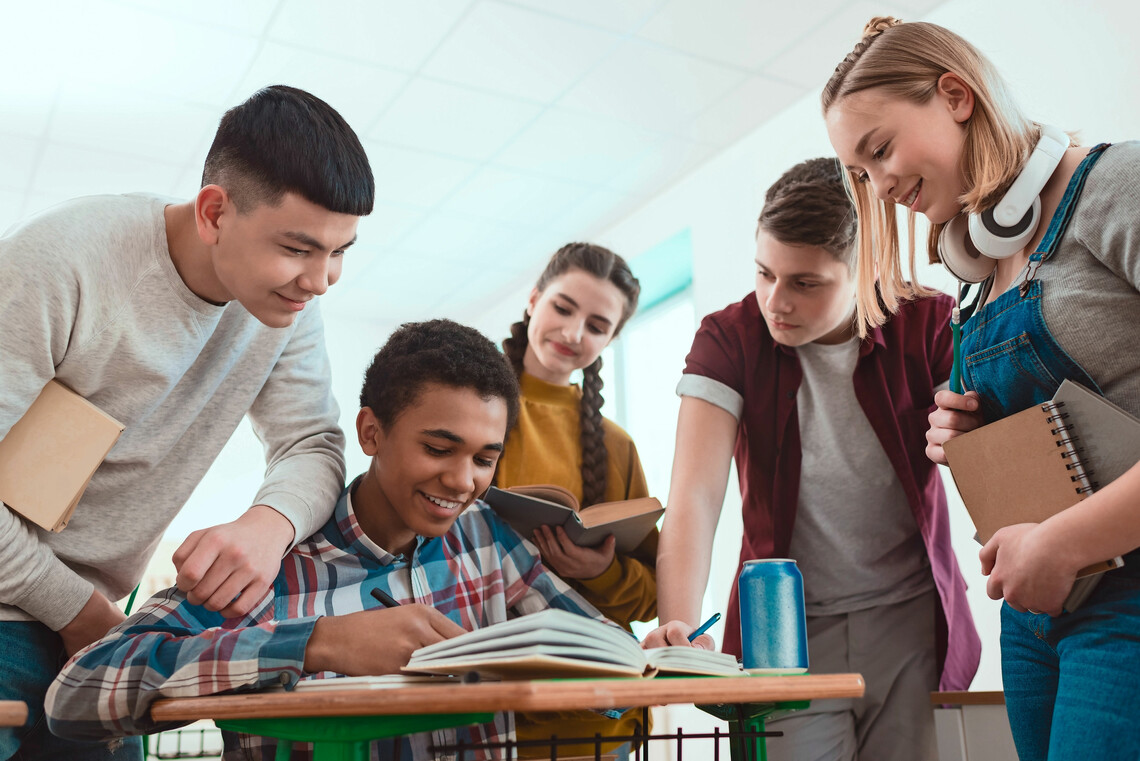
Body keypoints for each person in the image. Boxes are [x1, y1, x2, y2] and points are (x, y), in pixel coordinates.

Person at [45, 319, 615, 761]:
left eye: (485, 459)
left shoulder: (483, 536)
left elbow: (598, 645)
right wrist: (314, 643)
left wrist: (659, 645)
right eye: (439, 449)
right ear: (371, 432)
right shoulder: (272, 561)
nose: (463, 481)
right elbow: (76, 694)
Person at [0, 85, 373, 760]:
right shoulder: (59, 263)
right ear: (214, 212)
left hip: (97, 625)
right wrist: (81, 612)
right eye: (298, 248)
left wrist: (269, 526)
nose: (321, 280)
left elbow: (312, 443)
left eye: (339, 250)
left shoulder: (287, 306)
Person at [821, 16, 1140, 760]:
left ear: (956, 95)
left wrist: (1061, 542)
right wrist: (976, 447)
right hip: (1039, 615)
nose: (881, 186)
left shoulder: (1116, 187)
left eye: (880, 150)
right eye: (861, 174)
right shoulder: (980, 274)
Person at [645, 157, 980, 761]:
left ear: (866, 268)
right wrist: (678, 625)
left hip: (909, 621)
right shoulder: (728, 338)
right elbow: (696, 495)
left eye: (806, 283)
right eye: (764, 273)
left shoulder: (930, 322)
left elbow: (985, 446)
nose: (776, 301)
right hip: (784, 635)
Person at [496, 242, 656, 759]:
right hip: (489, 712)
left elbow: (653, 594)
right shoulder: (468, 416)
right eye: (563, 308)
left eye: (596, 325)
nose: (573, 333)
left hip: (599, 718)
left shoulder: (617, 446)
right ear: (534, 299)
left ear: (611, 338)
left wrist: (601, 571)